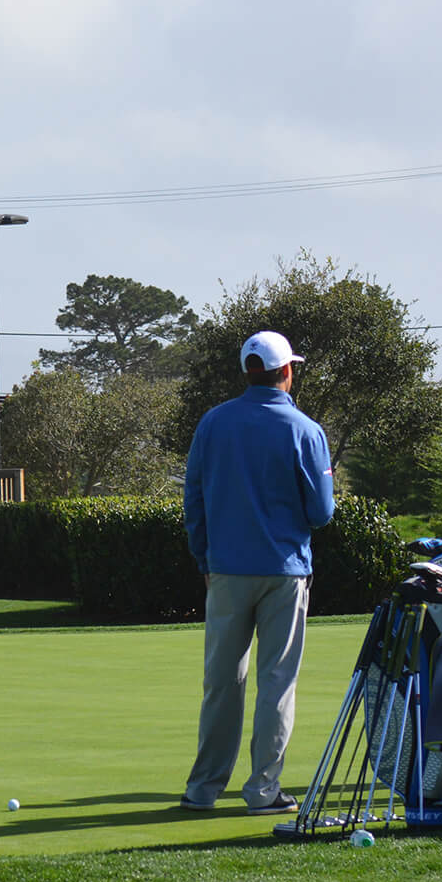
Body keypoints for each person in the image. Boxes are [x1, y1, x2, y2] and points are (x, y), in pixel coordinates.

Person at [179, 330, 337, 813]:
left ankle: (203, 789)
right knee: (276, 681)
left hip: (225, 570)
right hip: (285, 571)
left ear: (247, 370)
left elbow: (194, 499)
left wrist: (204, 559)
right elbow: (322, 511)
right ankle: (263, 791)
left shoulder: (213, 423)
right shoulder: (305, 430)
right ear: (286, 371)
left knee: (221, 682)